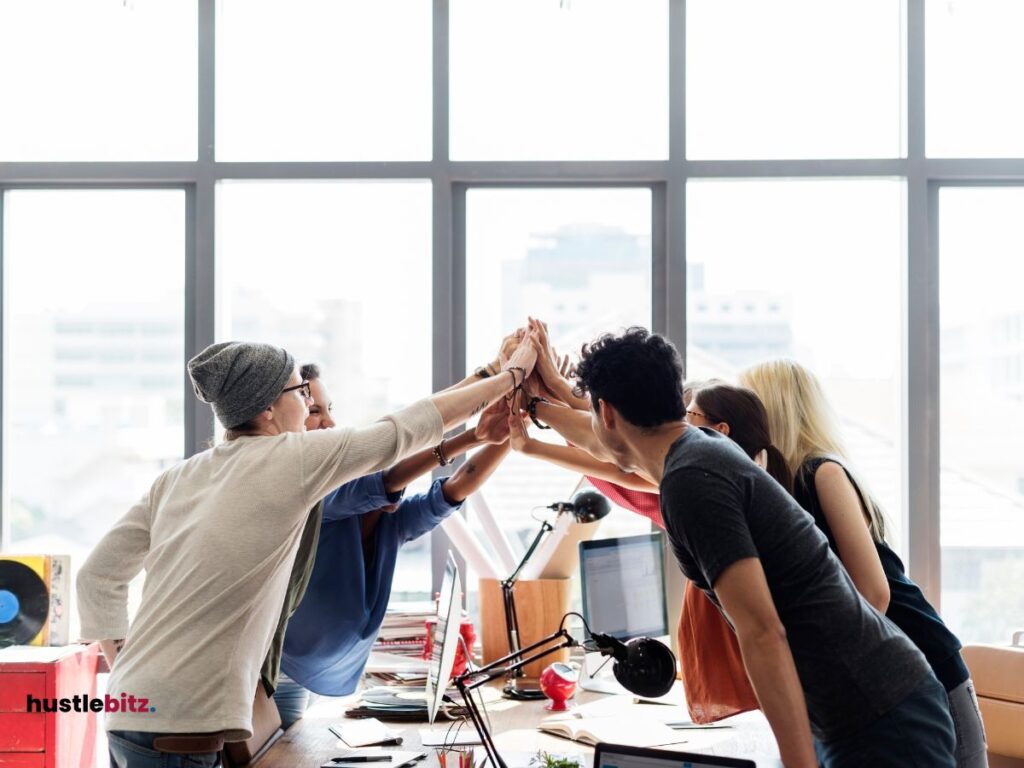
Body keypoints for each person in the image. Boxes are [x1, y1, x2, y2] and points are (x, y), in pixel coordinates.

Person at [76, 337, 537, 768]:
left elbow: (96, 576)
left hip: (129, 707)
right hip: (181, 728)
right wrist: (507, 377)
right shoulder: (291, 459)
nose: (308, 403)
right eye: (300, 391)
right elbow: (404, 429)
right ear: (270, 409)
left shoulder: (180, 476)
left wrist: (128, 669)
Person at [572, 327, 955, 768]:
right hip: (864, 704)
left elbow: (761, 630)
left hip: (879, 713)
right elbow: (597, 438)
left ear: (606, 412)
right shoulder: (700, 449)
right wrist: (536, 408)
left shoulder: (691, 480)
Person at [737, 360, 987, 768]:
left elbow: (874, 592)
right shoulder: (774, 490)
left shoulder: (822, 472)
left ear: (773, 409)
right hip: (886, 684)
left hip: (925, 666)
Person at [507, 373, 760, 723]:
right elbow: (618, 448)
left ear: (723, 430)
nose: (681, 426)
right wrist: (553, 395)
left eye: (691, 417)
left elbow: (623, 464)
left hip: (738, 654)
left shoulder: (709, 482)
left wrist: (539, 417)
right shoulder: (704, 482)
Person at [270, 364, 513, 727]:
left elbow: (454, 488)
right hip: (273, 672)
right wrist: (473, 433)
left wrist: (512, 429)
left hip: (302, 674)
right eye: (315, 411)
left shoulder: (387, 524)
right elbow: (388, 472)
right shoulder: (316, 496)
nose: (330, 424)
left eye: (331, 409)